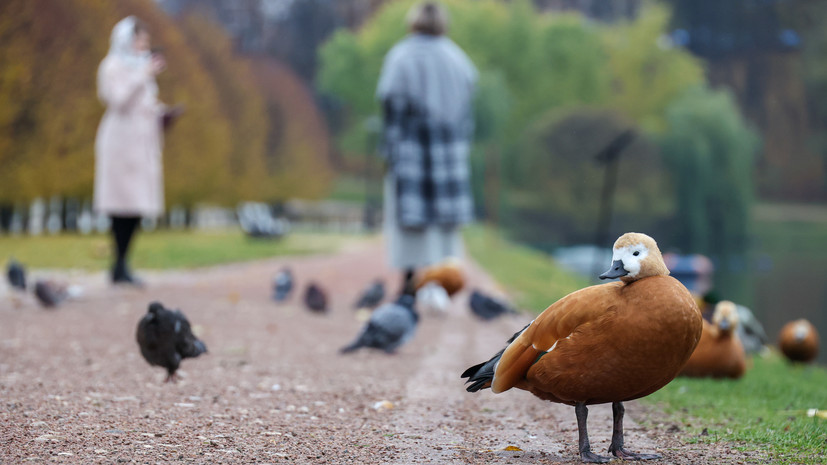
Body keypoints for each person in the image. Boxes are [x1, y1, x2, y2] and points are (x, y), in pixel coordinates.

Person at [376, 1, 478, 296]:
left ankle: (410, 281)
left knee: (410, 220)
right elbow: (468, 108)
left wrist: (390, 150)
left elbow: (392, 105)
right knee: (445, 223)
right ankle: (444, 281)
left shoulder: (401, 55)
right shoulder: (458, 58)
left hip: (413, 147)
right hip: (450, 149)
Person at [94, 16, 167, 285]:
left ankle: (122, 262)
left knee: (137, 206)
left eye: (146, 41)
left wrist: (162, 113)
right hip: (120, 143)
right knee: (120, 205)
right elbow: (118, 100)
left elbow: (144, 103)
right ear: (127, 40)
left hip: (142, 143)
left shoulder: (140, 67)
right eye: (140, 40)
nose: (144, 46)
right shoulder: (112, 65)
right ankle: (119, 264)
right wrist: (144, 74)